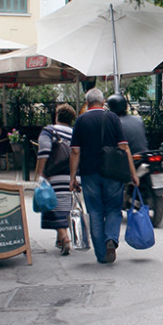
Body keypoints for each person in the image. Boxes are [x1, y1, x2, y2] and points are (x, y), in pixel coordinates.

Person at [69, 89, 140, 264]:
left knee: (94, 211)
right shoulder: (112, 118)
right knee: (113, 208)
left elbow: (75, 152)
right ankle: (111, 239)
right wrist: (133, 173)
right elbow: (124, 147)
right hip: (113, 172)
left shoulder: (81, 120)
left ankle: (102, 254)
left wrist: (72, 178)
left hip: (89, 173)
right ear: (103, 102)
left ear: (87, 103)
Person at [35, 104, 77, 255]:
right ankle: (60, 238)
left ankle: (64, 237)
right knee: (65, 206)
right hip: (72, 175)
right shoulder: (75, 133)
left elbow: (44, 150)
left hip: (54, 174)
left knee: (52, 205)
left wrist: (41, 172)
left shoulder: (49, 131)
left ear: (57, 116)